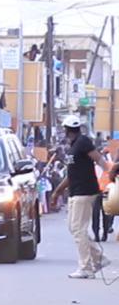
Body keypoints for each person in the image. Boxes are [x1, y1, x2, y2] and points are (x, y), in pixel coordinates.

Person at [51, 115, 112, 279]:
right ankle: (99, 258)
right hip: (75, 191)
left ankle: (85, 266)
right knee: (74, 228)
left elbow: (98, 158)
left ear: (66, 129)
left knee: (78, 229)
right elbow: (71, 174)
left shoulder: (83, 142)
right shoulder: (73, 146)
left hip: (85, 191)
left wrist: (110, 174)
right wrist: (57, 192)